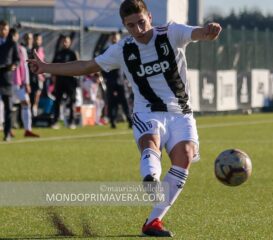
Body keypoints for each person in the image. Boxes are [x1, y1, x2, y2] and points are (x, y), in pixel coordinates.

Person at [27, 0, 221, 236]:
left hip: (181, 113)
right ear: (124, 26)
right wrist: (47, 67)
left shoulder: (171, 32)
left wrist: (208, 31)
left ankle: (153, 222)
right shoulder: (123, 49)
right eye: (132, 26)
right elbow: (87, 66)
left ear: (149, 16)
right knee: (151, 144)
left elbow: (197, 33)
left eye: (141, 22)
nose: (138, 30)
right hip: (147, 111)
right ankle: (151, 178)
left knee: (186, 156)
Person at [9, 29, 40, 138]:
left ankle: (27, 129)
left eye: (15, 35)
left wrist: (27, 82)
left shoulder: (21, 49)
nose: (13, 37)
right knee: (6, 106)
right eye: (11, 35)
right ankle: (7, 129)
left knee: (26, 103)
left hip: (19, 83)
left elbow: (25, 67)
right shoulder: (4, 47)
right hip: (7, 83)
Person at [101, 32, 133, 129]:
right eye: (113, 37)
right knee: (111, 102)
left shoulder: (123, 49)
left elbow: (128, 65)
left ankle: (130, 120)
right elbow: (102, 65)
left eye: (116, 37)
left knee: (125, 101)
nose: (114, 38)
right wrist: (106, 78)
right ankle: (112, 121)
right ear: (111, 38)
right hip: (111, 81)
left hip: (121, 80)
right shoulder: (106, 50)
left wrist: (127, 78)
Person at [51, 35, 79, 129]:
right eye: (63, 41)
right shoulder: (58, 53)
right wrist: (53, 80)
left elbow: (78, 66)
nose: (64, 43)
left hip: (70, 82)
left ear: (70, 42)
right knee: (57, 102)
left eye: (66, 41)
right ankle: (55, 121)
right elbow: (53, 67)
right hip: (60, 81)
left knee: (71, 102)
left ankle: (72, 122)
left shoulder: (72, 53)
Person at [0, 20, 19, 141]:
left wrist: (13, 65)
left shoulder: (12, 43)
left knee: (8, 107)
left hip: (6, 78)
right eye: (1, 29)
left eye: (5, 29)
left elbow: (17, 59)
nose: (3, 31)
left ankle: (7, 133)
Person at [30, 33, 46, 117]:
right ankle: (32, 111)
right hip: (32, 76)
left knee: (37, 93)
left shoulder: (42, 50)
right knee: (31, 94)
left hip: (39, 76)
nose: (37, 41)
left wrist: (43, 75)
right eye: (36, 39)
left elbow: (44, 61)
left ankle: (34, 110)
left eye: (39, 39)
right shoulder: (31, 50)